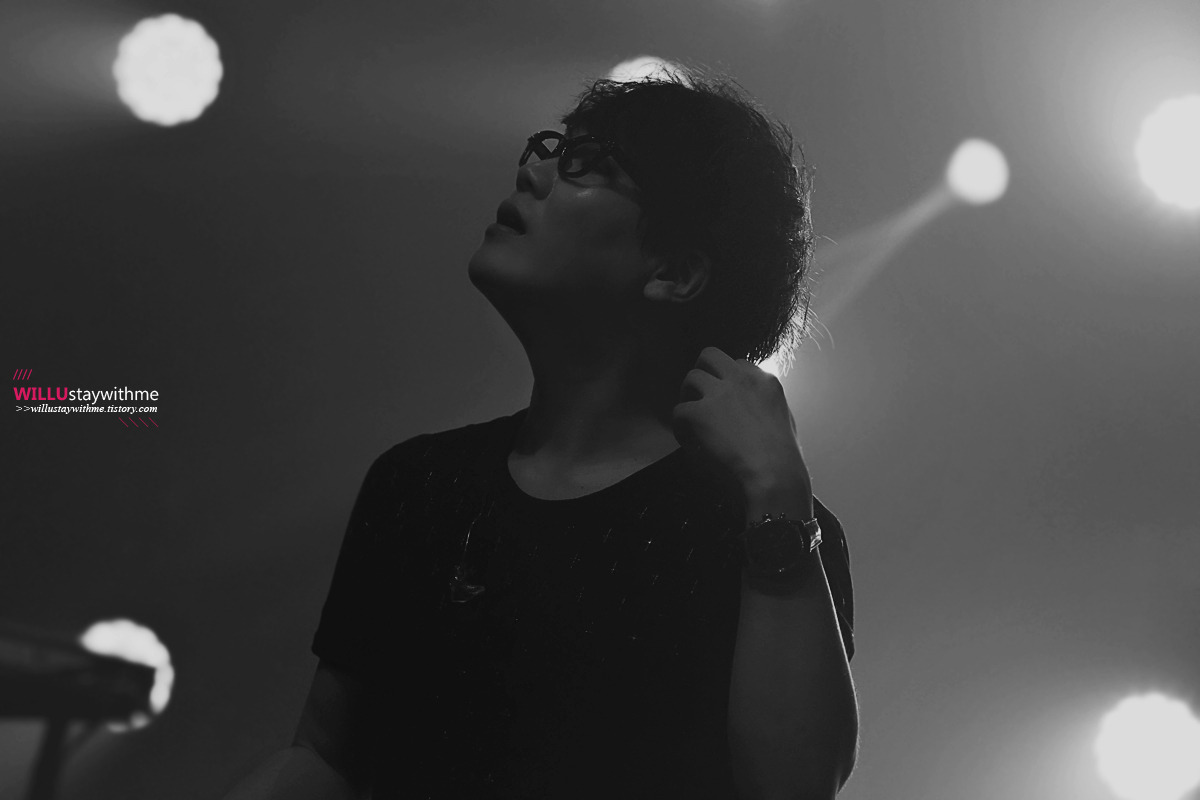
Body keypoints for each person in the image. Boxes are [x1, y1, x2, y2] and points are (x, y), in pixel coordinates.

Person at [221, 67, 858, 800]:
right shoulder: (420, 484)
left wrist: (777, 497)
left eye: (589, 163)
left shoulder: (764, 532)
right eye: (553, 147)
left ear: (676, 272)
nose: (533, 172)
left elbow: (791, 791)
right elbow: (326, 756)